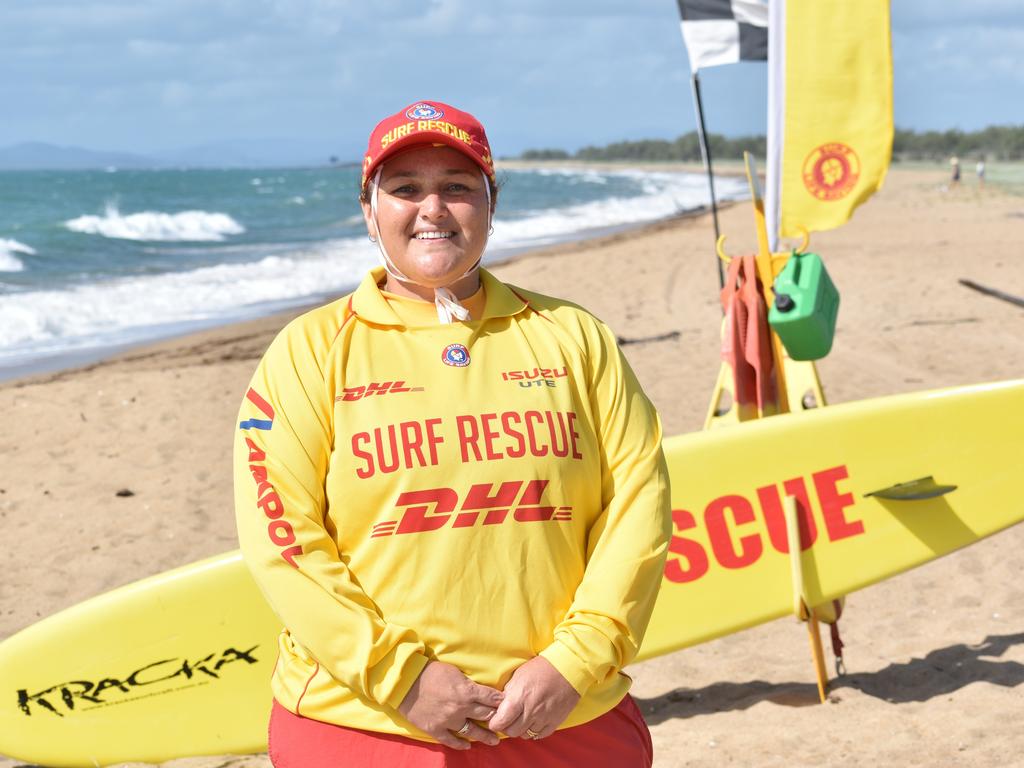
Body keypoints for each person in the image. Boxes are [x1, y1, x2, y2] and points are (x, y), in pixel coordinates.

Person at [234, 100, 671, 768]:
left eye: (457, 188)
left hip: (562, 717)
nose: (432, 208)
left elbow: (638, 505)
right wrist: (402, 679)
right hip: (366, 724)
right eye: (405, 188)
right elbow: (281, 536)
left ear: (491, 203)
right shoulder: (309, 352)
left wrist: (576, 661)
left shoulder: (574, 337)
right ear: (368, 209)